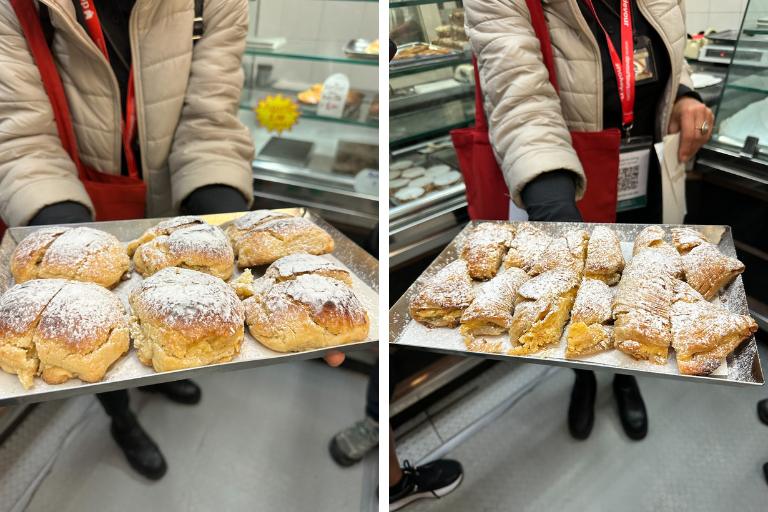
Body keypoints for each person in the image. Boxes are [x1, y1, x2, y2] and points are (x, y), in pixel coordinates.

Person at [0, 0, 346, 480]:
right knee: (84, 324)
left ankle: (162, 372)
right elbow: (18, 135)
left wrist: (218, 223)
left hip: (175, 198)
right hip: (67, 194)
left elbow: (211, 120)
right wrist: (65, 245)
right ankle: (121, 415)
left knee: (173, 314)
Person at [464, 0, 713, 441]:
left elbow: (659, 44)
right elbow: (519, 97)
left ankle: (625, 373)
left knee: (639, 282)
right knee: (583, 294)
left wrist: (684, 94)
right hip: (567, 178)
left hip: (648, 166)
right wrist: (558, 219)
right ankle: (581, 373)